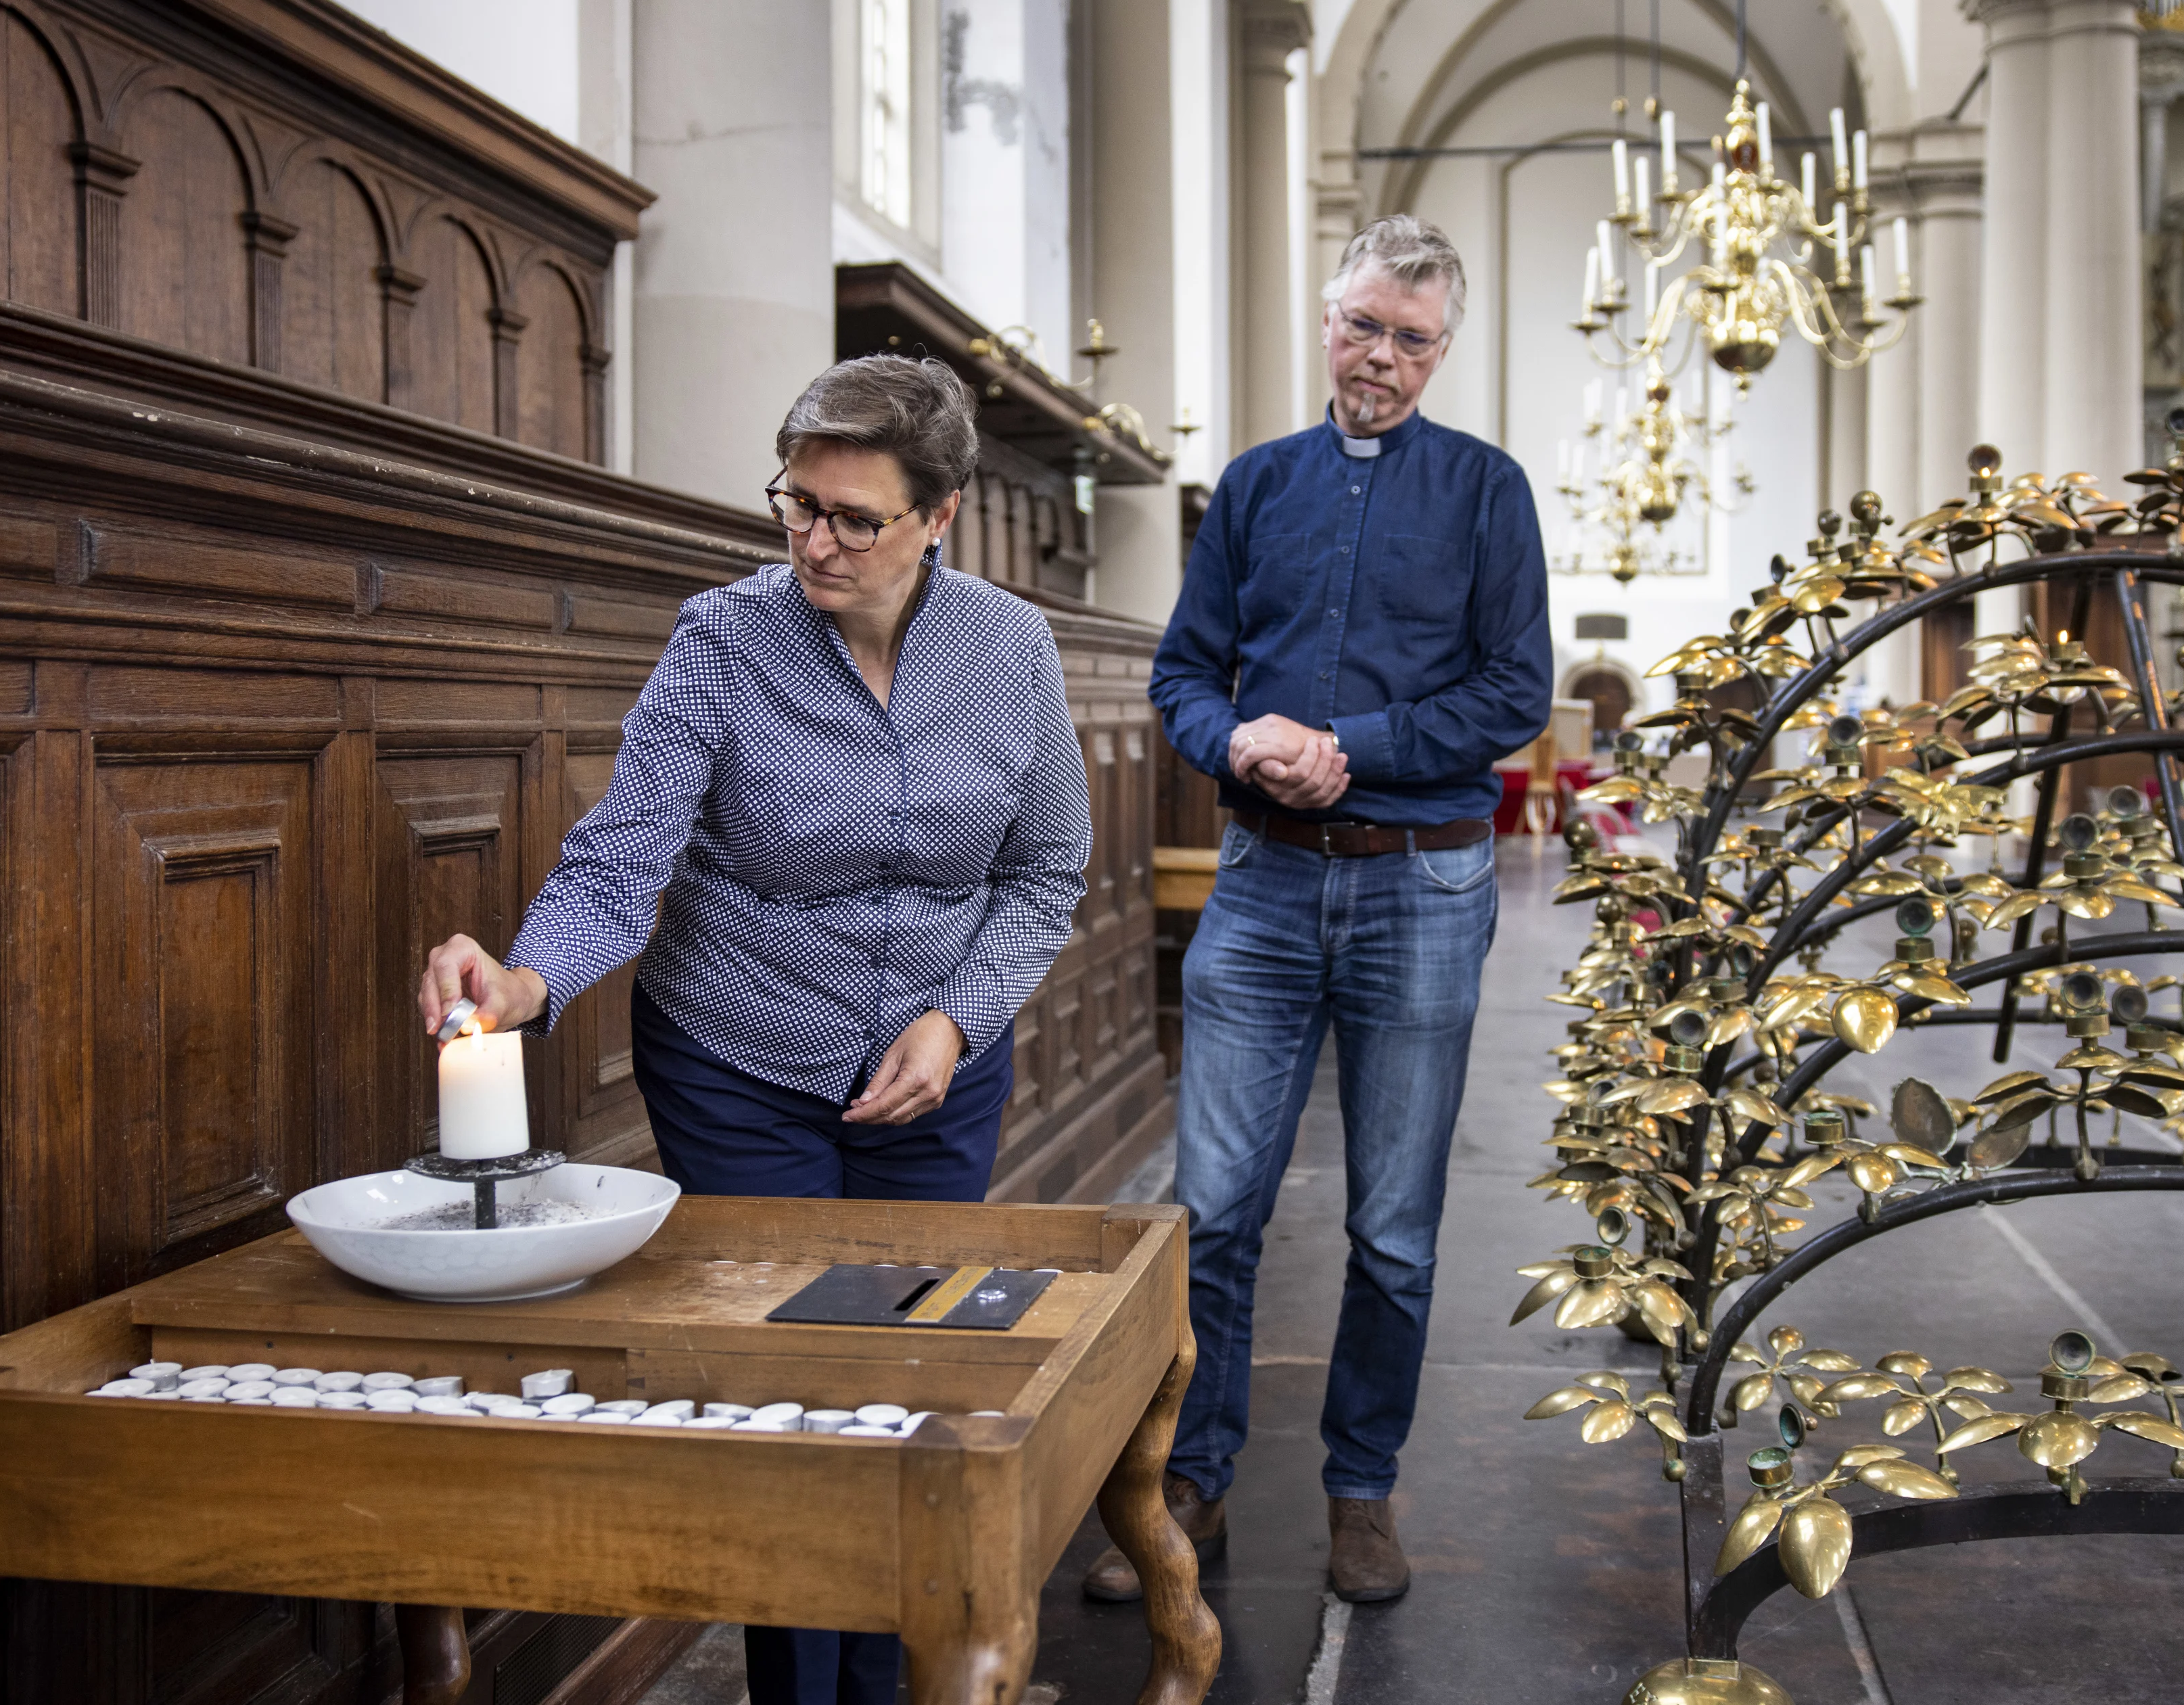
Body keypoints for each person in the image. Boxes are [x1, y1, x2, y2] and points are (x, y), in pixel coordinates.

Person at [417, 354, 1091, 1705]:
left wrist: (957, 1021)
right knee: (790, 1396)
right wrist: (527, 982)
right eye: (795, 504)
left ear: (940, 516)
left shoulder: (1012, 648)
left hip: (934, 1070)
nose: (813, 541)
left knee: (910, 1372)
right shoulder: (723, 636)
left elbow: (1047, 868)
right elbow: (623, 859)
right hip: (742, 1055)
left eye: (853, 517)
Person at [1098, 214, 1550, 1606]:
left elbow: (1514, 692)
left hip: (1422, 882)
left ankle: (1363, 1487)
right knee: (1212, 1207)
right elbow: (1184, 673)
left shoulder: (1488, 491)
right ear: (1327, 316)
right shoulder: (1252, 487)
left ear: (1443, 349)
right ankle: (1194, 1472)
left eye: (1414, 340)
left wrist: (1349, 741)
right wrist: (1240, 744)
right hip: (1267, 881)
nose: (1384, 359)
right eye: (1364, 326)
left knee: (1394, 1226)